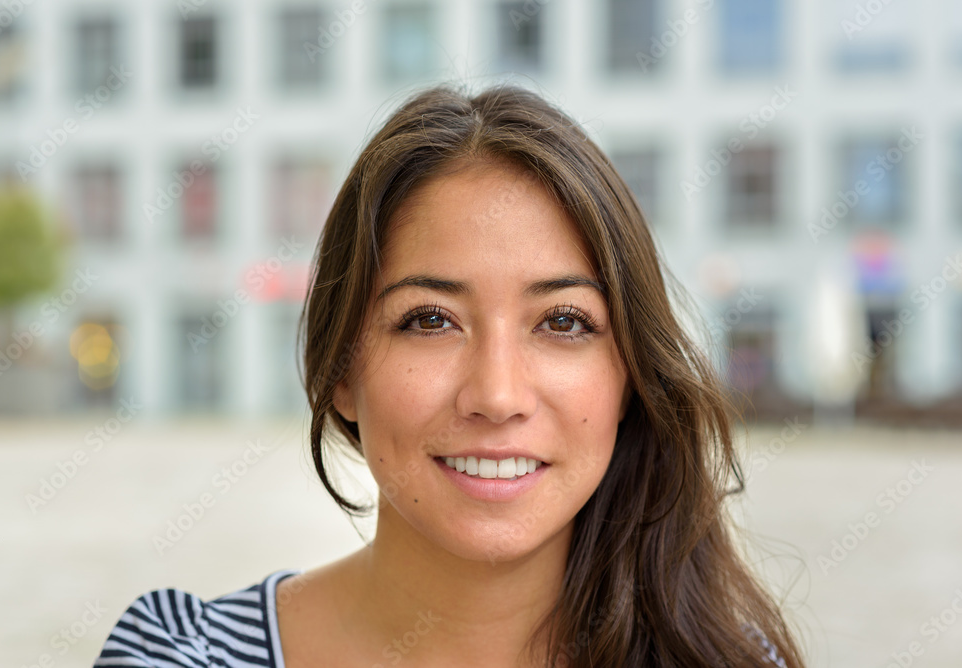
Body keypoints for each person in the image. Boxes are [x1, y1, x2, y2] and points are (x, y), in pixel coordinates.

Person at [93, 83, 805, 667]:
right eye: (430, 319)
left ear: (629, 379)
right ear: (340, 367)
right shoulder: (180, 656)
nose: (497, 396)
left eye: (562, 321)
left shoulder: (730, 658)